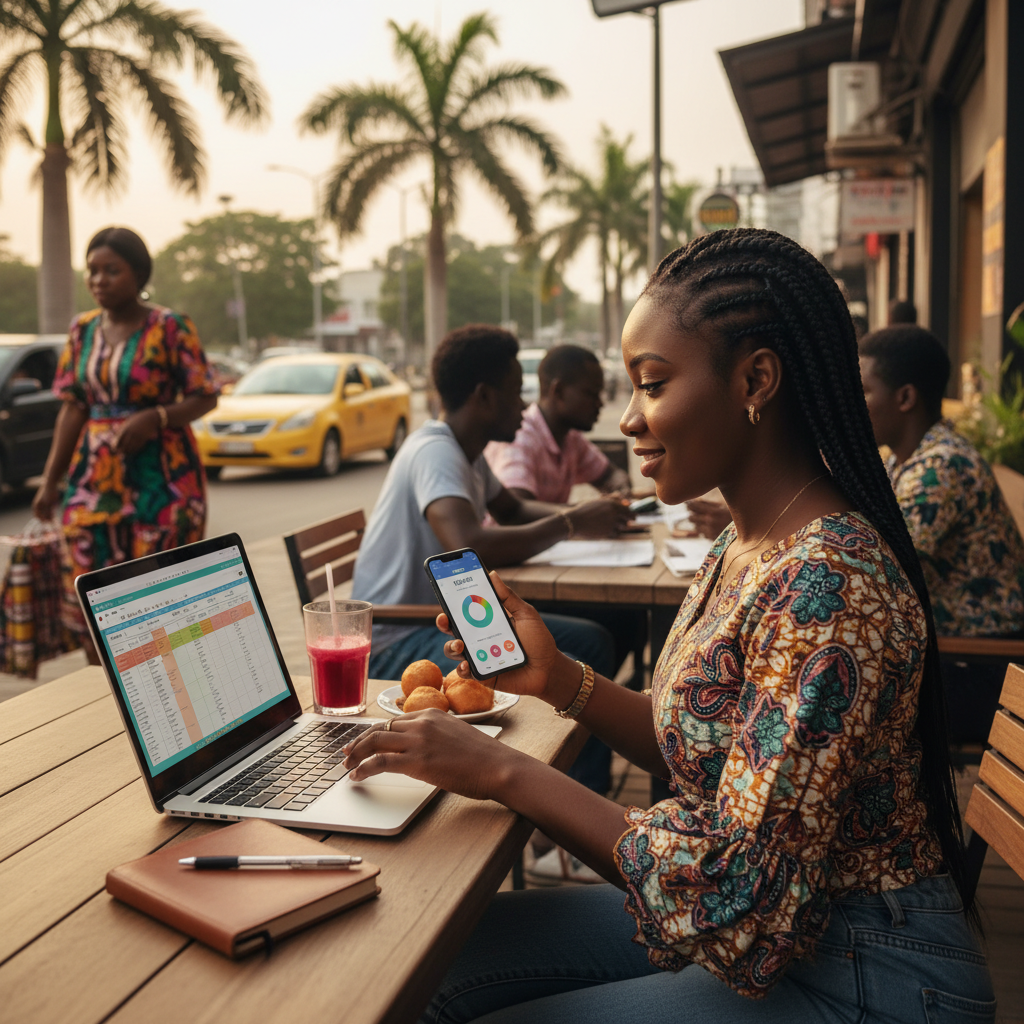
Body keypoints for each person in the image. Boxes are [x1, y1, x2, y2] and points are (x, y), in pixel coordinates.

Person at [342, 229, 992, 1023]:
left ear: (755, 380)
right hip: (790, 929)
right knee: (435, 958)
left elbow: (744, 909)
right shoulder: (748, 540)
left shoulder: (830, 585)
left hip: (863, 967)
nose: (626, 420)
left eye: (651, 384)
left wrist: (502, 770)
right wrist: (557, 680)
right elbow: (704, 745)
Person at [351, 324, 630, 819]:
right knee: (591, 641)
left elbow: (513, 511)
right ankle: (574, 816)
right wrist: (570, 520)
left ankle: (575, 796)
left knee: (605, 628)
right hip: (401, 637)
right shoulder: (435, 451)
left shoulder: (466, 454)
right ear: (483, 397)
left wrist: (584, 518)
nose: (524, 406)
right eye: (515, 391)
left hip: (433, 619)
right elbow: (468, 542)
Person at [33, 227, 219, 660]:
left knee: (158, 596)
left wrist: (156, 417)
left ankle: (171, 689)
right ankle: (105, 695)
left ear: (138, 274)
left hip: (163, 480)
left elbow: (206, 394)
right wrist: (50, 480)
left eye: (111, 271)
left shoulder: (170, 326)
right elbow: (73, 407)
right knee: (93, 591)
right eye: (92, 271)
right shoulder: (81, 330)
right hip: (94, 481)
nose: (99, 280)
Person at [860, 324, 1024, 740]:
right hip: (952, 655)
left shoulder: (940, 467)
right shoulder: (908, 459)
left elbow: (878, 573)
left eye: (863, 391)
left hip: (982, 670)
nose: (852, 404)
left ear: (905, 398)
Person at [485, 344, 629, 503]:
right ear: (558, 391)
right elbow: (517, 512)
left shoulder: (571, 438)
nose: (599, 404)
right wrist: (586, 515)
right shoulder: (520, 439)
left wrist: (621, 489)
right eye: (591, 394)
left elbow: (610, 475)